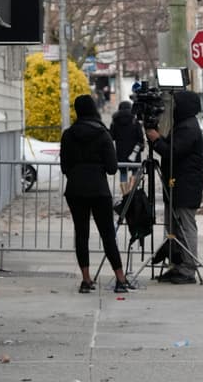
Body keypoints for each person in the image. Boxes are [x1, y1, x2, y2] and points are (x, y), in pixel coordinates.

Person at [60, 94, 136, 293]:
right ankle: (120, 278)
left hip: (75, 190)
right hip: (99, 189)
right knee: (107, 234)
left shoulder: (68, 135)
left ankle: (86, 279)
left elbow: (65, 167)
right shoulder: (102, 134)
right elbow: (112, 168)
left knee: (81, 234)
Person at [145, 90, 203, 284]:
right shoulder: (183, 126)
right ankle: (177, 264)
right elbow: (171, 147)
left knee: (185, 226)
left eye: (177, 105)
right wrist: (158, 138)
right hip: (176, 185)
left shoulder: (188, 128)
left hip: (185, 188)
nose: (173, 109)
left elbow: (172, 152)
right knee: (173, 228)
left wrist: (156, 139)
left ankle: (188, 268)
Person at [110, 100, 144, 194]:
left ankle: (125, 194)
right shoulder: (135, 121)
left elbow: (111, 137)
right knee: (134, 171)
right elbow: (140, 138)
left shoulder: (115, 121)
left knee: (123, 173)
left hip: (121, 152)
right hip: (134, 153)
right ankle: (132, 193)